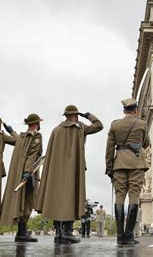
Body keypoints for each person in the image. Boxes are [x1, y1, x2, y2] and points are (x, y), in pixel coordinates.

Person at [36, 105, 103, 244]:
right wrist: (88, 115)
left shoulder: (56, 130)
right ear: (76, 115)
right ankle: (67, 232)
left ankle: (59, 233)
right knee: (71, 197)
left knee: (57, 199)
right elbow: (99, 125)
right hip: (73, 168)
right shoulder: (80, 127)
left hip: (56, 170)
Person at [105, 98, 149, 245]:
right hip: (136, 163)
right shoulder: (142, 124)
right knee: (134, 196)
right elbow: (146, 143)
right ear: (135, 110)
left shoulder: (115, 125)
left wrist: (109, 167)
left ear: (124, 111)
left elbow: (109, 149)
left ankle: (119, 236)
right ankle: (129, 236)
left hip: (119, 164)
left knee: (119, 197)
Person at [0, 113, 43, 242]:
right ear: (36, 124)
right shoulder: (37, 135)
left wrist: (11, 131)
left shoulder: (23, 136)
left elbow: (18, 140)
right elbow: (32, 154)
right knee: (28, 201)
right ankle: (22, 233)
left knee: (22, 201)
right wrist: (28, 172)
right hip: (29, 173)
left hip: (21, 172)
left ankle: (21, 232)